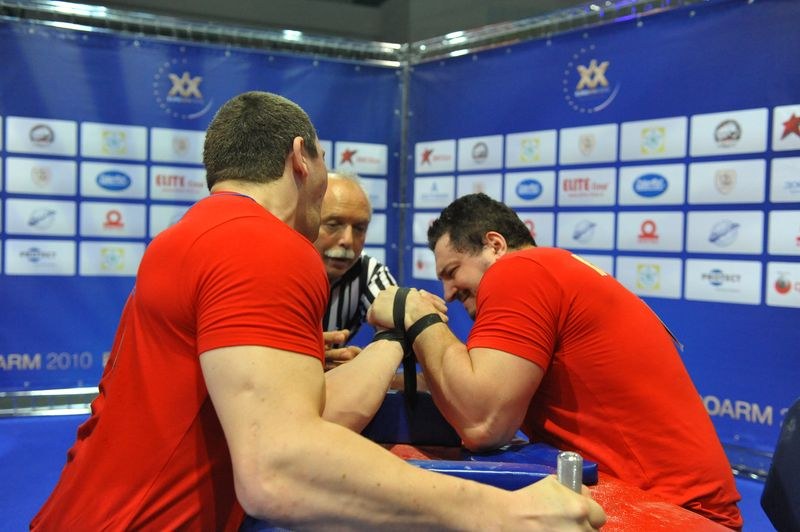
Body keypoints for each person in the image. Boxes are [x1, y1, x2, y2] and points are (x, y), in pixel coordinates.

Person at [31, 94, 605, 530]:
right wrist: (500, 513)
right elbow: (279, 469)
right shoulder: (265, 245)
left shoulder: (187, 236)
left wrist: (382, 343)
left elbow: (297, 421)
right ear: (301, 158)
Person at [368, 192, 743, 530]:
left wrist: (419, 318)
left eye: (452, 273)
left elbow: (482, 423)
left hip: (676, 514)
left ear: (494, 245)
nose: (447, 293)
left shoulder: (519, 270)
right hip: (669, 505)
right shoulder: (554, 270)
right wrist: (387, 376)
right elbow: (482, 381)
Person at [314, 170, 397, 369]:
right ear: (305, 220)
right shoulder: (275, 268)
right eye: (334, 225)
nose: (348, 241)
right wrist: (303, 355)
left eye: (359, 228)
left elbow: (400, 318)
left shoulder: (368, 273)